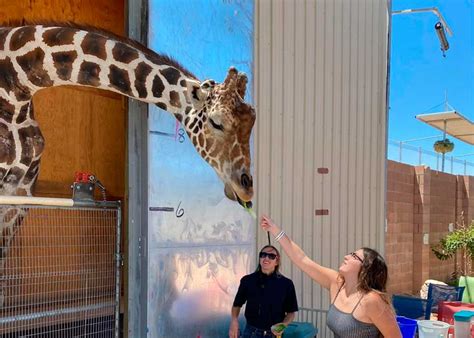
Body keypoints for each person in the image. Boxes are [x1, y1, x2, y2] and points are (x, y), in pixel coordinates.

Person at [260, 215, 402, 338]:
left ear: (365, 268)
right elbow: (302, 259)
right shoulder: (337, 283)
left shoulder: (372, 300)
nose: (346, 256)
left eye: (354, 256)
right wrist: (274, 229)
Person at [229, 245, 299, 338]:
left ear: (277, 261)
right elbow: (237, 305)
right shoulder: (247, 280)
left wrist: (283, 325)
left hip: (274, 335)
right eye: (263, 254)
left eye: (271, 256)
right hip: (251, 333)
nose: (266, 258)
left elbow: (291, 312)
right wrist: (234, 321)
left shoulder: (286, 284)